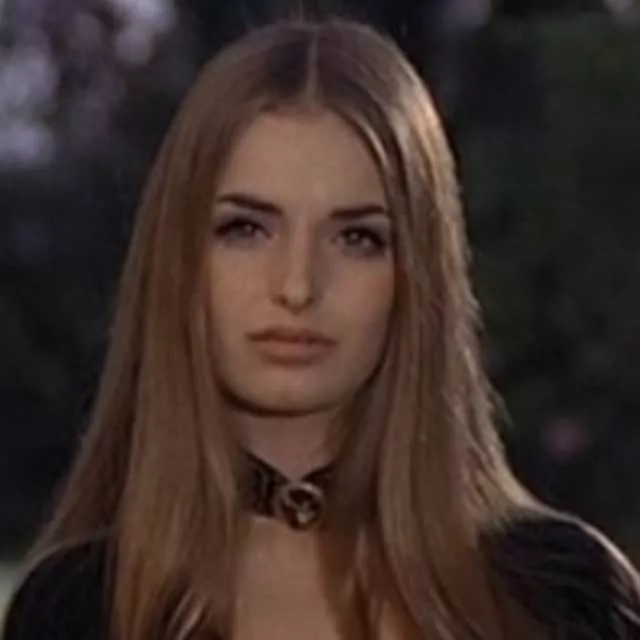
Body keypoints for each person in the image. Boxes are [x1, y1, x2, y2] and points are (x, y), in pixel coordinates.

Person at [3, 16, 640, 640]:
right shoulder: (78, 611)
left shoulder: (564, 599)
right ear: (179, 261)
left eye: (357, 238)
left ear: (420, 276)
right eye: (246, 229)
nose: (297, 286)